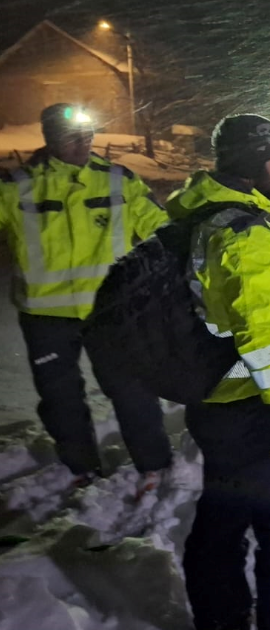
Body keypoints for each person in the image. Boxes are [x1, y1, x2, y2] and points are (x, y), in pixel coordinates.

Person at [165, 113, 270, 630]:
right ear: (254, 165)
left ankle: (222, 620)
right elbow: (263, 333)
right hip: (259, 409)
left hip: (216, 402)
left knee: (223, 518)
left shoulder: (200, 218)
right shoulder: (245, 234)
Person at [0, 103, 172, 493]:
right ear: (49, 139)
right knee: (60, 398)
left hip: (110, 311)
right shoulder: (16, 187)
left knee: (133, 390)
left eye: (88, 133)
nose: (82, 142)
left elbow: (162, 227)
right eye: (70, 136)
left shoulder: (118, 181)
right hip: (46, 317)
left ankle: (154, 466)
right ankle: (81, 469)